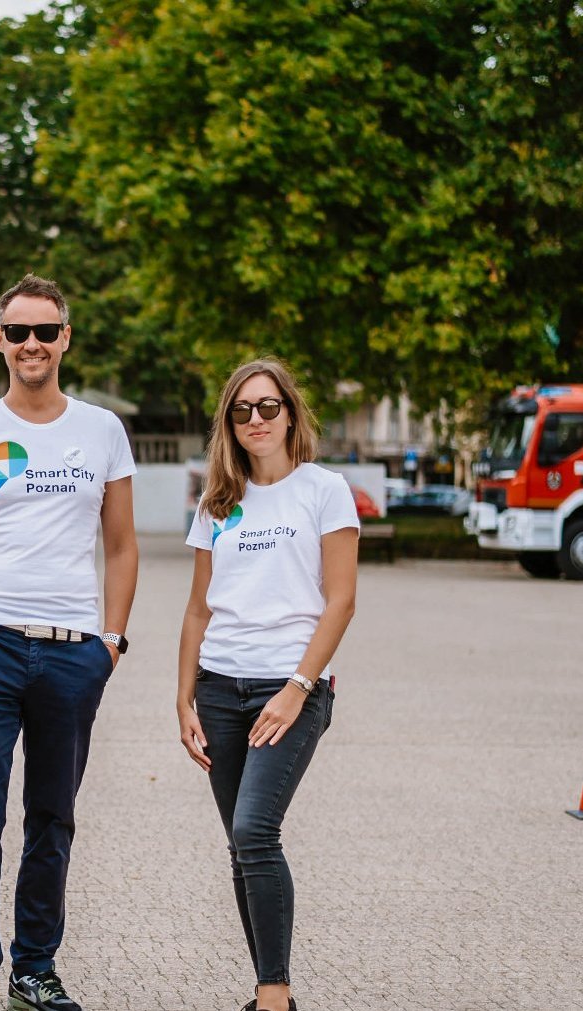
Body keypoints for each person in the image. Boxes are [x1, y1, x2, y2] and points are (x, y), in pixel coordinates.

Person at [0, 274, 138, 1011]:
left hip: (72, 647)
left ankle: (36, 968)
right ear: (0, 341)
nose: (33, 345)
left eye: (46, 331)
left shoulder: (102, 430)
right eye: (19, 332)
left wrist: (109, 642)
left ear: (66, 338)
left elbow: (122, 546)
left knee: (53, 816)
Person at [176, 358, 358, 1011]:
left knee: (256, 830)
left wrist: (298, 686)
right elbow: (198, 608)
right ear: (229, 421)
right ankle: (266, 992)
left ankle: (275, 997)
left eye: (268, 406)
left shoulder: (323, 489)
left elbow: (341, 600)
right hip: (219, 688)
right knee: (240, 845)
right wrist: (183, 699)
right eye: (242, 409)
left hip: (292, 687)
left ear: (290, 413)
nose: (256, 419)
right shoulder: (217, 503)